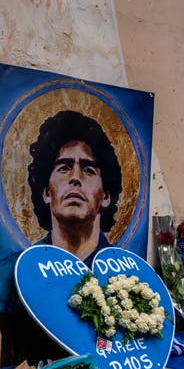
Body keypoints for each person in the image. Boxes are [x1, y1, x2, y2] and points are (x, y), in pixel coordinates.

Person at [27, 110, 123, 265]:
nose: (75, 178)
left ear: (106, 196)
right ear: (46, 192)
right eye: (64, 168)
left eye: (89, 170)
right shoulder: (20, 268)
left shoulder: (125, 272)